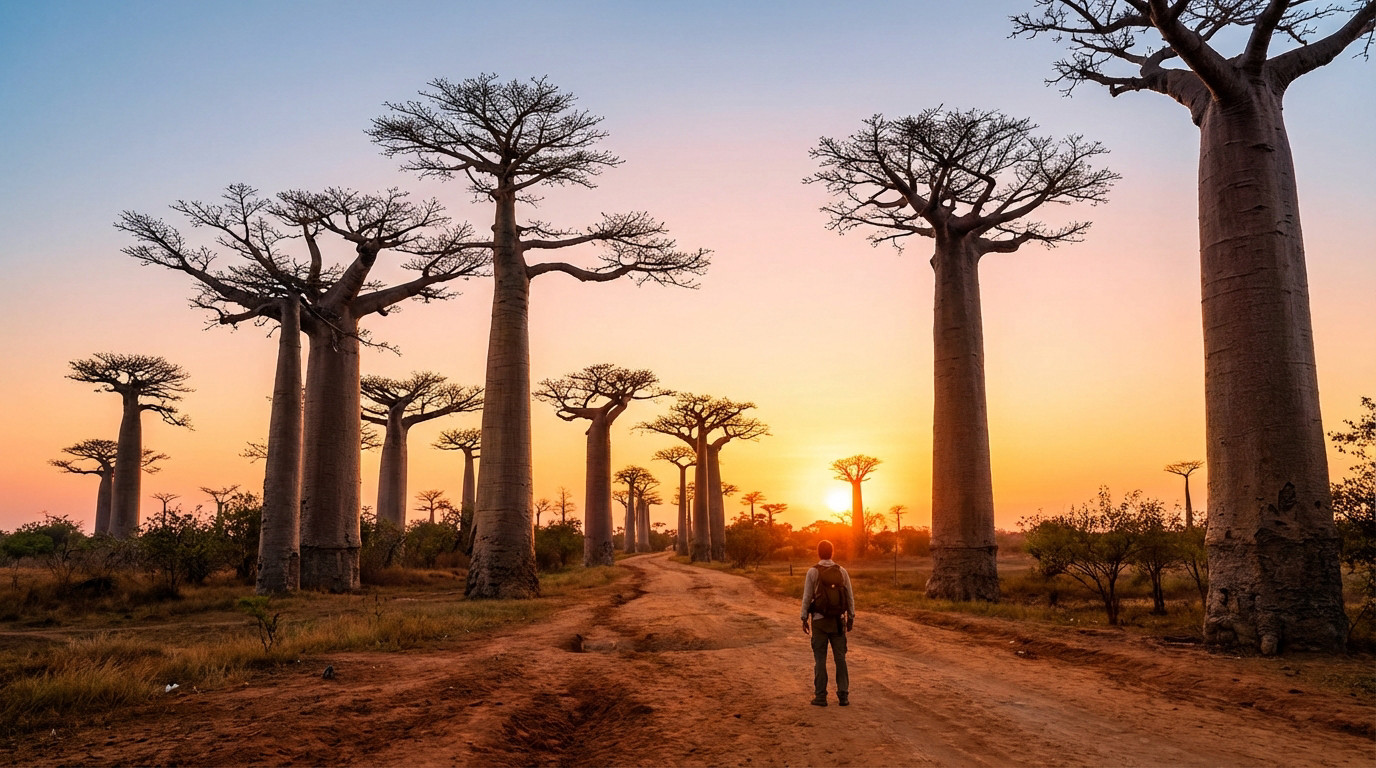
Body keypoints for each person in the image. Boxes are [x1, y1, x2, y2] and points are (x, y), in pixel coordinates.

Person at [800, 539, 855, 707]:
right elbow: (849, 596)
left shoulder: (812, 572)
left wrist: (803, 617)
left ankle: (821, 696)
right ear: (832, 552)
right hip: (838, 621)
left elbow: (807, 597)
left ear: (818, 552)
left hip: (819, 620)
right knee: (840, 658)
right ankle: (843, 695)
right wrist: (851, 616)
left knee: (820, 659)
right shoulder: (842, 571)